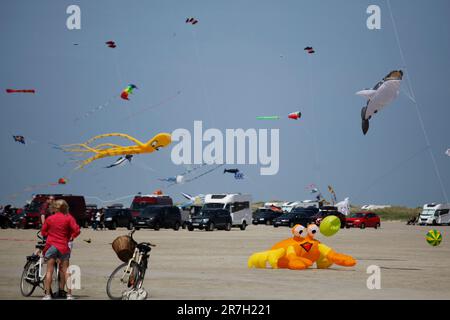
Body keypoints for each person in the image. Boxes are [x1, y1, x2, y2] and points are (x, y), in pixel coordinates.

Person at [41, 200, 80, 300]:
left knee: (49, 271)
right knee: (66, 271)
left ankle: (47, 295)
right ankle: (69, 295)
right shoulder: (69, 218)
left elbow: (43, 232)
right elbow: (77, 230)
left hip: (51, 245)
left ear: (54, 208)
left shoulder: (50, 218)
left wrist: (49, 234)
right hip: (63, 246)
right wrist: (71, 237)